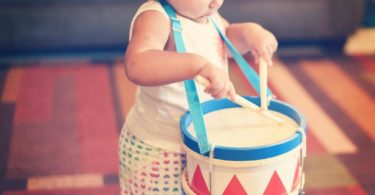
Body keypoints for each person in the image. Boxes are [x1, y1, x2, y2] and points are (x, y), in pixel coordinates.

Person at [119, 0, 278, 194]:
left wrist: (250, 33)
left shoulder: (208, 16)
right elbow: (138, 63)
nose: (215, 2)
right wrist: (197, 65)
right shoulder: (155, 17)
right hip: (161, 150)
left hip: (201, 145)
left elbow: (225, 39)